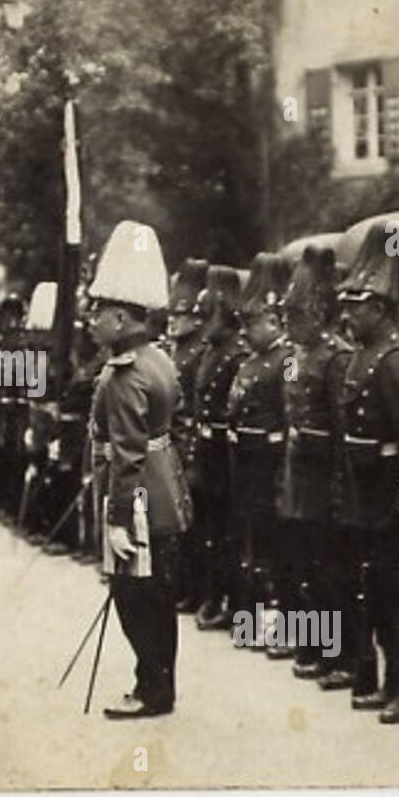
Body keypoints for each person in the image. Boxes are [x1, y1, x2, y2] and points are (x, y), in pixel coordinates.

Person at [85, 220, 192, 719]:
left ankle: (151, 689)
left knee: (135, 595)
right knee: (157, 595)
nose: (92, 320)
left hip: (138, 499)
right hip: (164, 487)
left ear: (124, 319)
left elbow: (125, 453)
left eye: (100, 312)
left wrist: (117, 518)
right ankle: (159, 686)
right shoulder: (159, 360)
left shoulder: (125, 374)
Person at [335, 226, 399, 724]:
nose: (348, 314)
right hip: (368, 496)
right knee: (380, 592)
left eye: (357, 305)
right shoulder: (362, 356)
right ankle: (393, 680)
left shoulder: (395, 361)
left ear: (381, 307)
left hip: (396, 498)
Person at [277, 245, 352, 681]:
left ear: (319, 314)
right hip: (298, 478)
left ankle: (339, 654)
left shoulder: (334, 357)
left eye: (297, 315)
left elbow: (342, 427)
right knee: (305, 568)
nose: (290, 323)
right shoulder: (296, 357)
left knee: (332, 573)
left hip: (325, 479)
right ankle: (313, 646)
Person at [227, 253, 293, 655]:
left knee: (275, 549)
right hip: (246, 465)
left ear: (272, 319)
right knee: (250, 545)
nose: (246, 331)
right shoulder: (251, 362)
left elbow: (290, 415)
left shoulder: (286, 362)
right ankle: (250, 620)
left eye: (252, 323)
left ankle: (280, 625)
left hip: (272, 465)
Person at [191, 267, 251, 631]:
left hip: (229, 454)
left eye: (207, 315)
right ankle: (212, 596)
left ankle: (233, 602)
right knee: (210, 530)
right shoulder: (211, 351)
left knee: (231, 533)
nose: (202, 324)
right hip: (207, 450)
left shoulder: (236, 353)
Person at [166, 259, 212, 612]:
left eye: (180, 316)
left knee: (197, 530)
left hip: (191, 448)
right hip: (173, 447)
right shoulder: (176, 350)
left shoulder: (199, 352)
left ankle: (197, 590)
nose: (173, 323)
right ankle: (183, 586)